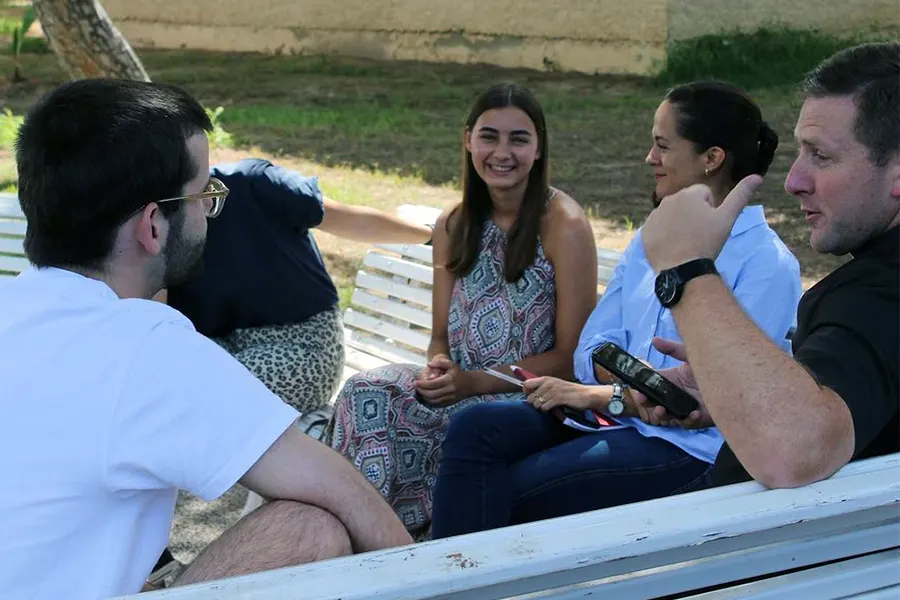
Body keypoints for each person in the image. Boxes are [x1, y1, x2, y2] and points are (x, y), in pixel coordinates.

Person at [0, 79, 412, 600]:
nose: (208, 210)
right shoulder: (144, 346)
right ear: (153, 225)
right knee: (310, 528)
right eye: (203, 195)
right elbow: (342, 491)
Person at [431, 82, 803, 538]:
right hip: (616, 418)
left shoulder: (766, 263)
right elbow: (592, 348)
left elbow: (716, 400)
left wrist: (612, 391)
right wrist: (631, 389)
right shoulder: (654, 238)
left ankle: (452, 581)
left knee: (507, 488)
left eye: (663, 145)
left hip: (688, 448)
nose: (650, 157)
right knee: (474, 428)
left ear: (712, 158)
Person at [325, 83, 599, 538]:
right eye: (489, 136)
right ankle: (369, 540)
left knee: (458, 424)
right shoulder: (455, 223)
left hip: (531, 398)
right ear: (468, 139)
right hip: (462, 386)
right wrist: (440, 367)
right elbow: (439, 336)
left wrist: (473, 382)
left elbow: (573, 356)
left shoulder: (563, 224)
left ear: (539, 148)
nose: (502, 152)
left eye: (519, 138)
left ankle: (423, 552)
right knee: (364, 391)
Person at [631, 41, 898, 490]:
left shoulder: (878, 292)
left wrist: (685, 268)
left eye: (822, 155)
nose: (794, 181)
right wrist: (738, 391)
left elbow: (791, 450)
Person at [159, 159, 432, 415]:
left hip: (301, 345)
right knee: (164, 385)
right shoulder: (153, 221)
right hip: (219, 350)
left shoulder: (255, 182)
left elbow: (353, 221)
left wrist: (431, 236)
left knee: (198, 397)